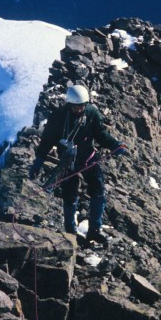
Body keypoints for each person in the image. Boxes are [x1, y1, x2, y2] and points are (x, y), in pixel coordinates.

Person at [29, 84, 127, 244]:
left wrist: (115, 144)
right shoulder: (59, 117)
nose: (79, 110)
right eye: (75, 107)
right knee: (70, 195)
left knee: (99, 191)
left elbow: (100, 134)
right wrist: (38, 161)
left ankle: (95, 230)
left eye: (82, 106)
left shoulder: (92, 113)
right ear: (69, 105)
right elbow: (46, 141)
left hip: (88, 157)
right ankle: (71, 232)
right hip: (67, 161)